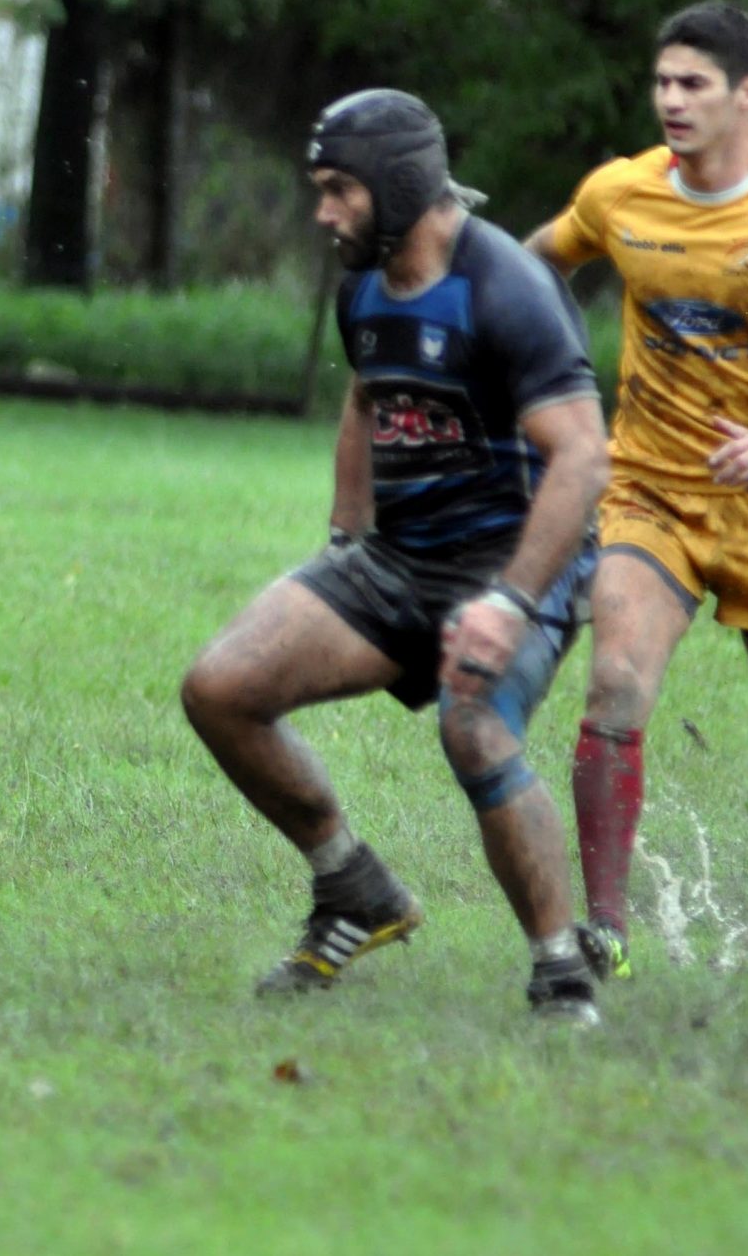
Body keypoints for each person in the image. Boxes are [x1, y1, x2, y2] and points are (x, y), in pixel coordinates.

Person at [178, 89, 612, 1022]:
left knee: (474, 725)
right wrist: (344, 544)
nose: (322, 211)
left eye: (340, 189)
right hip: (403, 558)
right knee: (220, 687)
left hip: (518, 561)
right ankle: (354, 890)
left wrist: (507, 601)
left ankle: (561, 970)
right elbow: (367, 400)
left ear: (401, 185)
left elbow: (583, 456)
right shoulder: (363, 285)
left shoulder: (506, 289)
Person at [525, 3, 748, 981]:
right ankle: (601, 932)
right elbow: (533, 269)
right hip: (649, 490)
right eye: (662, 83)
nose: (671, 101)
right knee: (615, 683)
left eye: (693, 84)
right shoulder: (623, 193)